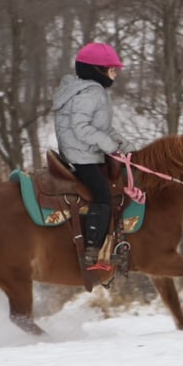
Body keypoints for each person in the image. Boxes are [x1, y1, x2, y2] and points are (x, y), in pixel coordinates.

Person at [53, 42, 135, 269]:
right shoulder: (91, 93)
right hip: (82, 155)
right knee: (102, 194)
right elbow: (82, 128)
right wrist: (110, 147)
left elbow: (103, 128)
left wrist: (128, 148)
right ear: (97, 70)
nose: (115, 73)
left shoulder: (86, 90)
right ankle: (93, 250)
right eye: (112, 69)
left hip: (85, 151)